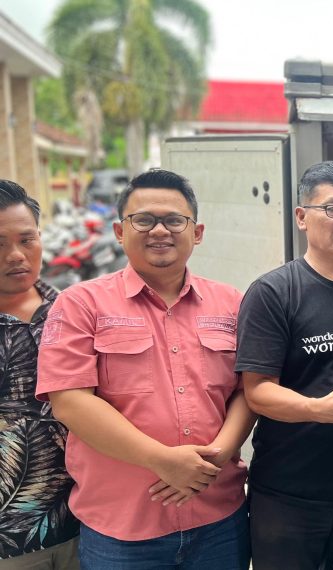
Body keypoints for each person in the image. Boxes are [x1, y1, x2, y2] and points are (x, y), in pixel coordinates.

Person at [36, 169, 252, 569]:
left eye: (174, 220)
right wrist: (162, 461)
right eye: (144, 220)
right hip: (123, 531)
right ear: (120, 231)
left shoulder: (232, 303)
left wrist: (216, 457)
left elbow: (248, 390)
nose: (160, 231)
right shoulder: (80, 304)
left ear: (197, 232)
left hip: (219, 519)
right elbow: (70, 402)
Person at [237, 160, 333, 569]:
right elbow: (257, 392)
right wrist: (324, 411)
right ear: (303, 217)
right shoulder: (274, 292)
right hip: (289, 496)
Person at [0, 181, 79, 569]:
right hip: (8, 542)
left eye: (26, 240)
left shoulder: (73, 312)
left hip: (84, 525)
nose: (16, 255)